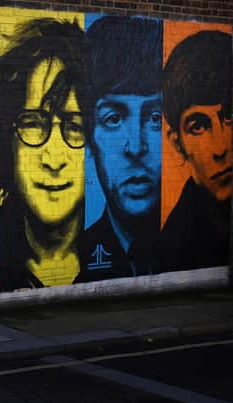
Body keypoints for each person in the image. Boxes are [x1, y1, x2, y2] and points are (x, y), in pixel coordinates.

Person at [0, 18, 86, 289]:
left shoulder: (125, 252)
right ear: (8, 142)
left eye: (74, 127)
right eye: (34, 124)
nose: (54, 159)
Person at [75, 16, 163, 282]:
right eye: (113, 119)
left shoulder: (194, 248)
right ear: (89, 137)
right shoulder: (76, 263)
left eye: (155, 117)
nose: (135, 147)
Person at [158, 31, 232, 271]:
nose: (220, 148)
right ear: (177, 144)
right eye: (198, 126)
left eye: (229, 117)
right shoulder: (177, 246)